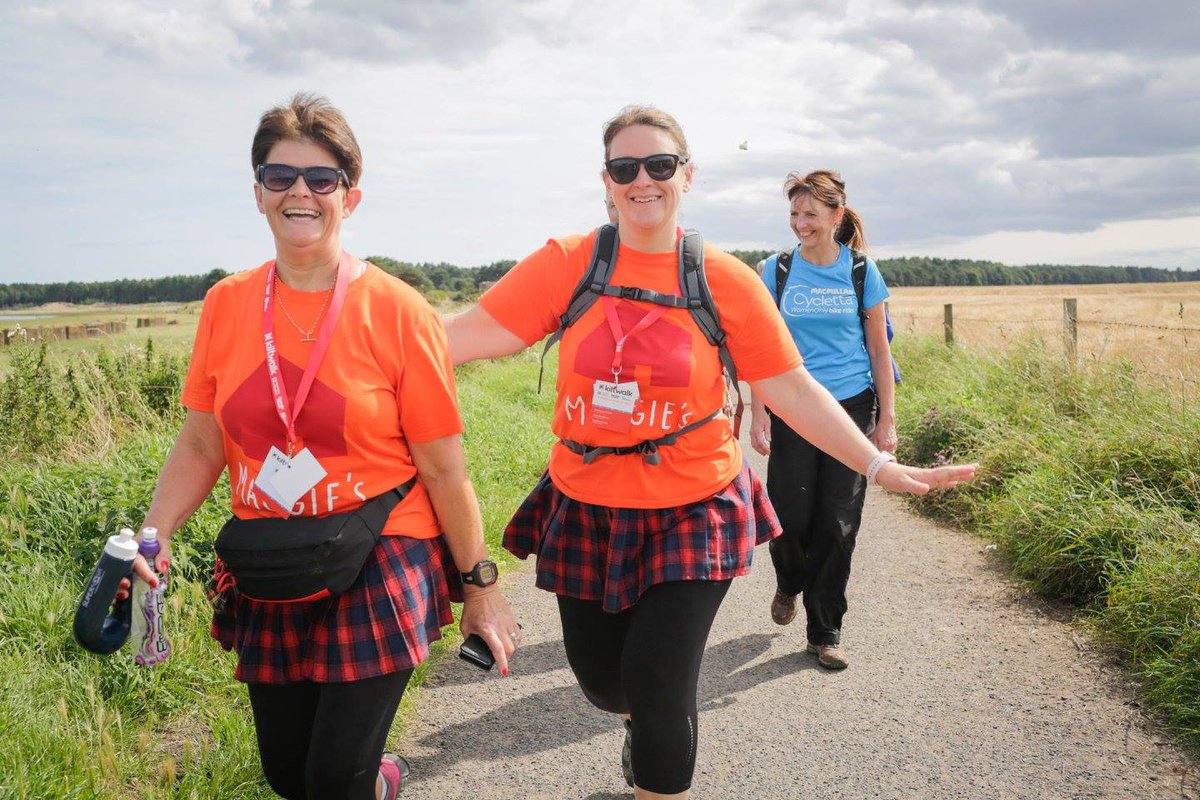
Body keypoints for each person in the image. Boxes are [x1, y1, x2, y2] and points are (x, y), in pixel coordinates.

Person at [444, 105, 975, 800]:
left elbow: (791, 388)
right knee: (605, 682)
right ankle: (635, 719)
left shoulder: (723, 279)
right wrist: (348, 331)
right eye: (625, 167)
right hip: (586, 501)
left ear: (686, 175)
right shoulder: (570, 265)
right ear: (606, 180)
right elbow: (456, 337)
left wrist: (879, 463)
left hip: (694, 504)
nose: (643, 179)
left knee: (662, 683)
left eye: (660, 165)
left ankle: (657, 758)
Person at [116, 93, 519, 800]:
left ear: (349, 197)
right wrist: (157, 532)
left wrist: (479, 587)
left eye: (321, 179)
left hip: (381, 547)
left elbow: (444, 467)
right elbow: (204, 439)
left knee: (333, 781)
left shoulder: (398, 310)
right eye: (281, 177)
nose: (300, 191)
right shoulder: (226, 304)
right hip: (270, 554)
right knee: (287, 777)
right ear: (259, 195)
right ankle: (380, 786)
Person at [749, 169, 894, 671]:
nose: (800, 223)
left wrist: (887, 419)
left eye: (810, 213)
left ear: (836, 216)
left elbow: (879, 347)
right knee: (788, 517)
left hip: (852, 406)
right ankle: (789, 581)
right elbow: (758, 348)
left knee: (838, 523)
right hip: (794, 406)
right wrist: (759, 412)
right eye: (794, 213)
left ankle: (825, 631)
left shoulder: (860, 271)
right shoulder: (776, 270)